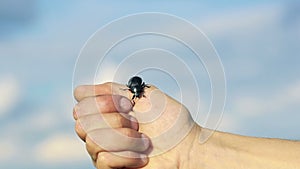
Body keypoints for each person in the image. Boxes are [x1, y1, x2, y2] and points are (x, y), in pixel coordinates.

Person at [73, 82, 300, 169]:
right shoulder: (135, 90)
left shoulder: (137, 90)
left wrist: (191, 150)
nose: (137, 94)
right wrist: (190, 149)